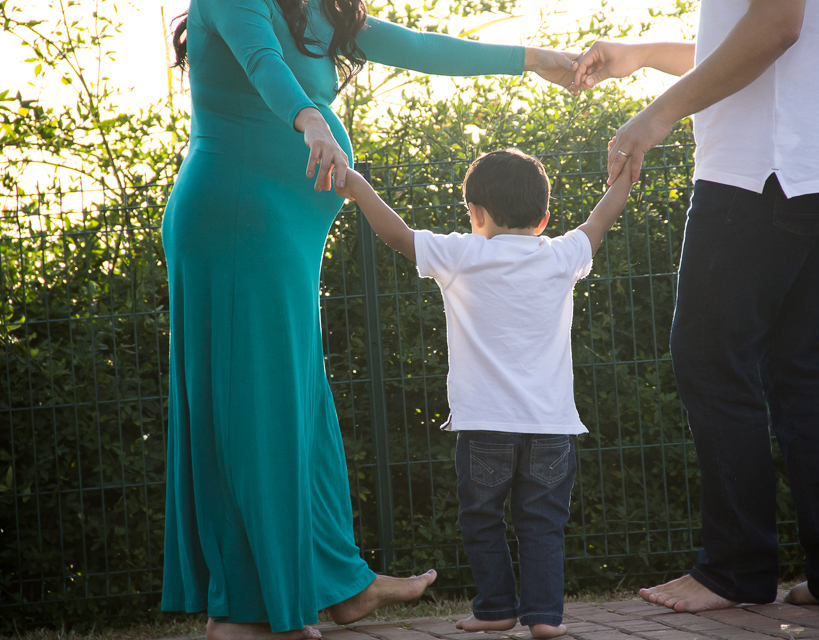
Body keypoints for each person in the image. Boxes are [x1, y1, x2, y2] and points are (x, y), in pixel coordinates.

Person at [159, 1, 582, 638]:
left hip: (286, 235)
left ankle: (337, 583)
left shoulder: (310, 11)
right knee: (256, 411)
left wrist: (532, 60)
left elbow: (418, 46)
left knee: (301, 410)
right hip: (239, 221)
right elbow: (262, 61)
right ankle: (248, 607)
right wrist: (311, 119)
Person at [571, 0, 819, 612]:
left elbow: (774, 29)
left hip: (762, 170)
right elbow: (754, 53)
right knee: (803, 362)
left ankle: (735, 570)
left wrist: (656, 115)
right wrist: (639, 56)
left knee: (712, 359)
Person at [331, 149, 633, 638]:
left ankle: (495, 607)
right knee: (543, 525)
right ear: (544, 218)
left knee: (482, 520)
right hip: (551, 427)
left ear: (476, 213)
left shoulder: (463, 254)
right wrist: (625, 175)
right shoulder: (561, 255)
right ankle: (545, 618)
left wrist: (359, 187)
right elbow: (601, 218)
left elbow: (397, 235)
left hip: (485, 424)